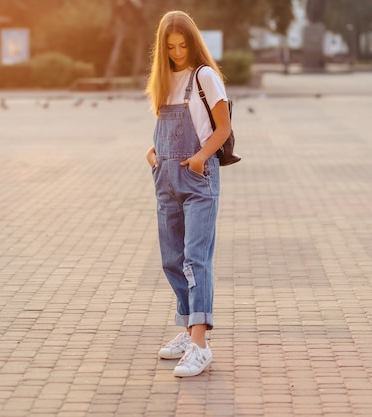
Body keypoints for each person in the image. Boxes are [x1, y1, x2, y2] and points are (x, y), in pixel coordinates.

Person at [145, 10, 231, 377]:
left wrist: (198, 159)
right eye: (170, 47)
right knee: (172, 258)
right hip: (164, 177)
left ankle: (200, 344)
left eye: (183, 45)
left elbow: (222, 128)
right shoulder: (163, 80)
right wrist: (151, 152)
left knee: (196, 259)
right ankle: (186, 328)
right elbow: (161, 126)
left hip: (198, 180)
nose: (177, 52)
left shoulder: (205, 76)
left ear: (192, 43)